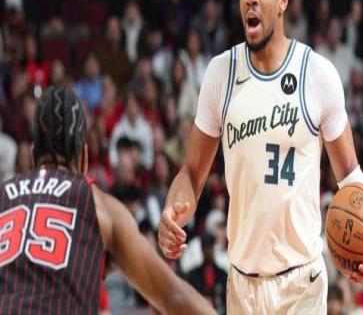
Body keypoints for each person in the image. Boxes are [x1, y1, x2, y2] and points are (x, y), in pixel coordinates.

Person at [159, 0, 363, 314]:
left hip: (301, 283)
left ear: (283, 1)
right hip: (242, 283)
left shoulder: (316, 74)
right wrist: (172, 211)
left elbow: (350, 173)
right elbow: (191, 172)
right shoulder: (221, 74)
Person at [0, 86, 215, 314]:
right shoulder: (97, 205)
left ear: (33, 155)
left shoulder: (3, 196)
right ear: (84, 158)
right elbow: (174, 296)